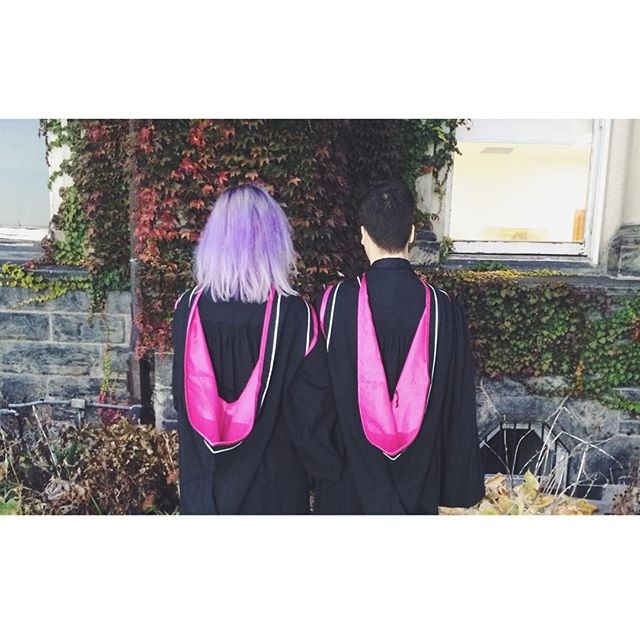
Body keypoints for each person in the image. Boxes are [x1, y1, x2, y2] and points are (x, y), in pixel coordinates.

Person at [314, 182, 485, 514]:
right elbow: (457, 405)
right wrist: (455, 486)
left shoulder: (334, 303)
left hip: (346, 485)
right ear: (411, 233)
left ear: (362, 234)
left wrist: (321, 468)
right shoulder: (443, 310)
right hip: (418, 485)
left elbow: (316, 398)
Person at [171, 184, 341, 514]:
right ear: (275, 242)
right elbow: (312, 416)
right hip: (274, 489)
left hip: (204, 488)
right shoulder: (296, 317)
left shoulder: (187, 311)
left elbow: (183, 400)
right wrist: (329, 472)